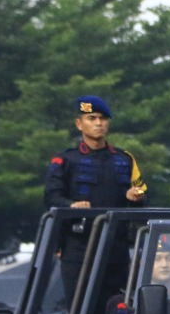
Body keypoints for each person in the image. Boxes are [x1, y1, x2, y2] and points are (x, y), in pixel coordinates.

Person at [43, 95, 147, 297]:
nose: (99, 123)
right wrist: (71, 206)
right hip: (78, 247)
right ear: (79, 124)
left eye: (103, 118)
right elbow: (51, 197)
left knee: (116, 309)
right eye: (92, 118)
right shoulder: (65, 160)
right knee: (80, 308)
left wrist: (136, 196)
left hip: (116, 248)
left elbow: (142, 192)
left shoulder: (124, 159)